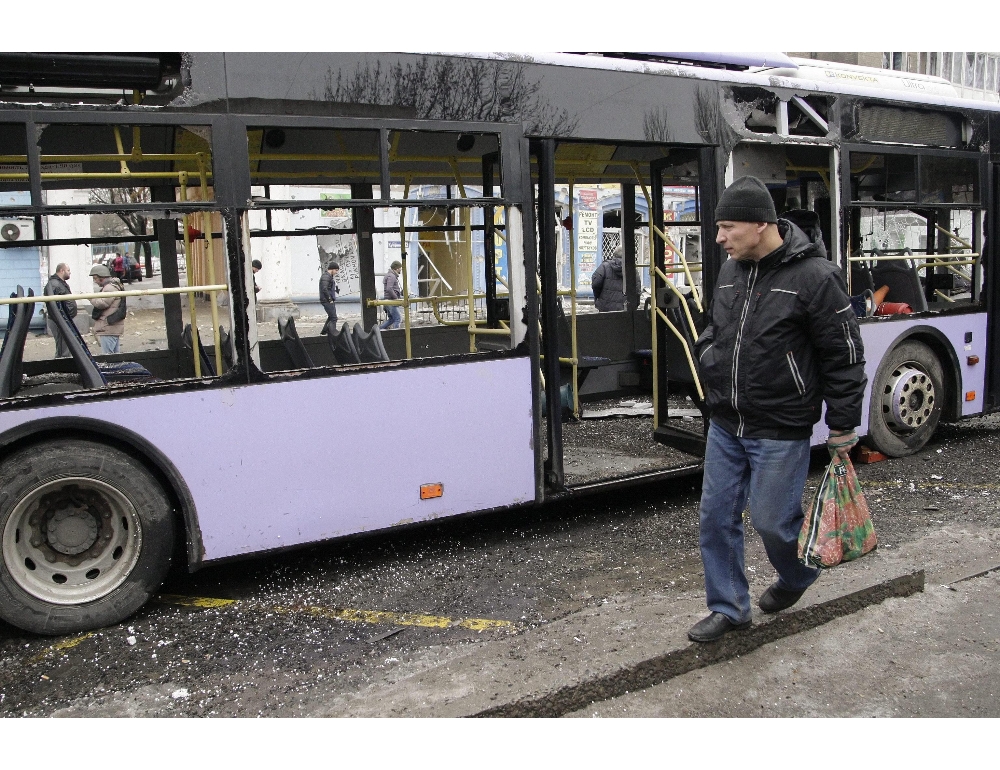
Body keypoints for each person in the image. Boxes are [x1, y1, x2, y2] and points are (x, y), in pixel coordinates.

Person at [688, 175, 867, 643]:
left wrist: (843, 424)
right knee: (715, 518)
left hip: (780, 428)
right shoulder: (730, 270)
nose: (719, 238)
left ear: (761, 224)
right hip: (726, 422)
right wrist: (709, 360)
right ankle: (729, 608)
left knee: (772, 522)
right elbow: (714, 328)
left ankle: (798, 575)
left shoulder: (817, 277)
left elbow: (843, 354)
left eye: (727, 227)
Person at [90, 263, 126, 354]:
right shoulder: (113, 286)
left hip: (108, 328)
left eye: (95, 278)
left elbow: (102, 304)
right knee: (114, 356)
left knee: (108, 356)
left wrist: (90, 298)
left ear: (101, 277)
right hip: (111, 327)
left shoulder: (109, 288)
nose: (95, 281)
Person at [43, 263, 78, 358]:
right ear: (62, 270)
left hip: (63, 318)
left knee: (65, 346)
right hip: (60, 319)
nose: (70, 272)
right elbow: (53, 305)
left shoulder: (59, 283)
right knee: (63, 348)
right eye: (68, 270)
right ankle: (61, 367)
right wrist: (60, 319)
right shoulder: (54, 284)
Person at [591, 246, 625, 312]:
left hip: (605, 307)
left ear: (614, 254)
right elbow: (637, 290)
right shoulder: (632, 269)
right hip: (626, 308)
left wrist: (598, 298)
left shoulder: (604, 266)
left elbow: (596, 284)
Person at [379, 260, 403, 330]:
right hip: (391, 301)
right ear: (396, 268)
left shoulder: (390, 275)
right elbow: (389, 288)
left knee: (392, 319)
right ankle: (396, 334)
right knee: (398, 319)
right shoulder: (392, 276)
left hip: (388, 301)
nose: (400, 269)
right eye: (400, 268)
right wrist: (396, 298)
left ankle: (379, 329)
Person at [319, 261, 340, 332]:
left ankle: (325, 331)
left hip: (327, 300)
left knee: (331, 317)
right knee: (334, 318)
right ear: (332, 269)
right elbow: (324, 289)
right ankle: (332, 332)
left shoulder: (328, 276)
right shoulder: (326, 276)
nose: (336, 272)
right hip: (327, 300)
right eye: (336, 270)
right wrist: (330, 299)